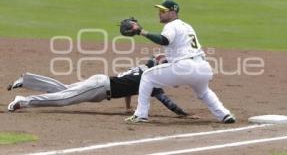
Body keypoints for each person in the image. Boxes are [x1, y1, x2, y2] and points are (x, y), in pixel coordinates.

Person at [125, 0, 235, 124]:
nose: (159, 13)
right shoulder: (187, 26)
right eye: (159, 10)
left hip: (185, 67)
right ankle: (224, 114)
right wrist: (167, 59)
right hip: (203, 68)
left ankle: (140, 115)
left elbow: (164, 40)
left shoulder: (171, 25)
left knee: (147, 76)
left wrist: (141, 31)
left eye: (163, 11)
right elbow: (182, 48)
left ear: (173, 13)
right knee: (204, 92)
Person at [7, 55, 190, 118]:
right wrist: (184, 115)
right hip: (101, 88)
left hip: (100, 83)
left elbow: (131, 88)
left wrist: (128, 107)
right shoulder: (153, 80)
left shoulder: (143, 70)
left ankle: (28, 80)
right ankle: (24, 101)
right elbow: (168, 102)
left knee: (65, 90)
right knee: (64, 99)